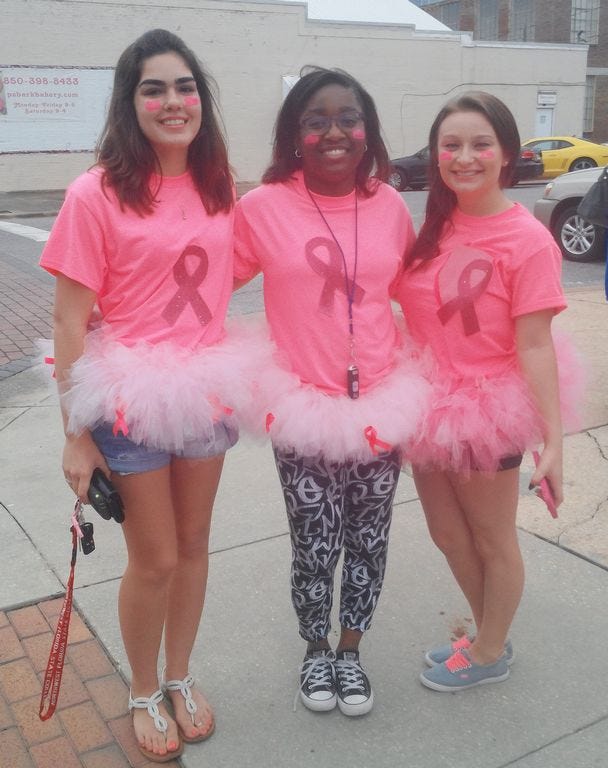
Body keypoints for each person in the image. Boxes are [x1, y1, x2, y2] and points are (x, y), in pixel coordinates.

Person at [40, 29, 241, 762]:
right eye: (153, 89)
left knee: (193, 548)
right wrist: (75, 432)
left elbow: (235, 271)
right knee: (153, 559)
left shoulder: (219, 185)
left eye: (185, 87)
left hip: (205, 391)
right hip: (127, 399)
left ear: (201, 99)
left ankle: (180, 676)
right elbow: (68, 321)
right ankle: (144, 688)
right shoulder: (94, 193)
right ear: (130, 103)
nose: (173, 101)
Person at [233, 67, 429, 716]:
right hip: (303, 407)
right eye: (316, 121)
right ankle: (315, 648)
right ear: (294, 135)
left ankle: (351, 651)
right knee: (314, 539)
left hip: (381, 403)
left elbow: (414, 295)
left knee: (370, 538)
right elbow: (203, 283)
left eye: (349, 118)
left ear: (368, 129)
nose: (334, 132)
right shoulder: (263, 207)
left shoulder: (389, 206)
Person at [397, 91, 581, 692]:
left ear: (507, 154)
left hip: (486, 409)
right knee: (447, 535)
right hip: (426, 403)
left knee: (492, 538)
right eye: (451, 145)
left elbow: (536, 345)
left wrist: (553, 442)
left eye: (481, 144)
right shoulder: (434, 226)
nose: (464, 157)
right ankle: (486, 634)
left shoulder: (527, 240)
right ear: (435, 154)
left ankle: (490, 652)